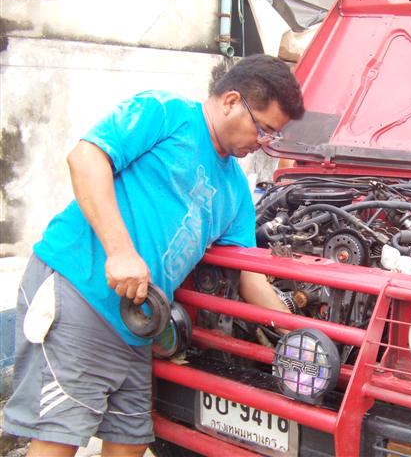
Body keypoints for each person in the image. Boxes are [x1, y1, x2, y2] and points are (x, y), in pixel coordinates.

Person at [2, 54, 305, 457]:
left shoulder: (236, 190)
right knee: (58, 436)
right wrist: (120, 251)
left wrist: (301, 337)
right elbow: (86, 157)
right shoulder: (165, 113)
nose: (263, 143)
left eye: (272, 136)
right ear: (232, 101)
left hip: (138, 324)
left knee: (130, 443)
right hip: (79, 293)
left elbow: (249, 278)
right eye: (262, 128)